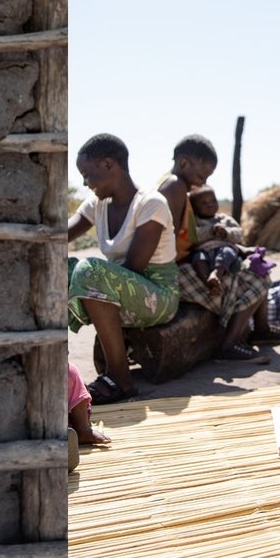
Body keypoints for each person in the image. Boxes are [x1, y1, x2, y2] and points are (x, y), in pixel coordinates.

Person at [157, 135, 280, 360]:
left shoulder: (175, 186)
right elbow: (166, 241)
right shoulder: (175, 187)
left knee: (255, 265)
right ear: (184, 163)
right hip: (175, 271)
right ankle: (229, 343)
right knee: (256, 277)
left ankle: (260, 331)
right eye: (201, 176)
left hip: (182, 262)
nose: (202, 183)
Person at [68, 134, 180, 404]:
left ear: (109, 165)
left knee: (89, 270)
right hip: (121, 289)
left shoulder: (151, 204)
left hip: (158, 295)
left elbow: (135, 268)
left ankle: (120, 377)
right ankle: (59, 369)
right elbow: (60, 235)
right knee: (62, 268)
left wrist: (86, 280)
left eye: (87, 174)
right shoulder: (97, 205)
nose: (85, 183)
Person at [186, 185, 245, 296]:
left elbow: (239, 234)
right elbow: (193, 236)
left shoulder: (225, 219)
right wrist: (209, 231)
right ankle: (210, 284)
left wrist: (226, 232)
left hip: (223, 247)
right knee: (198, 259)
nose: (210, 204)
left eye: (213, 200)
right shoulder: (195, 222)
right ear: (195, 207)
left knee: (227, 252)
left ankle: (217, 273)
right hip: (204, 250)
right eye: (204, 203)